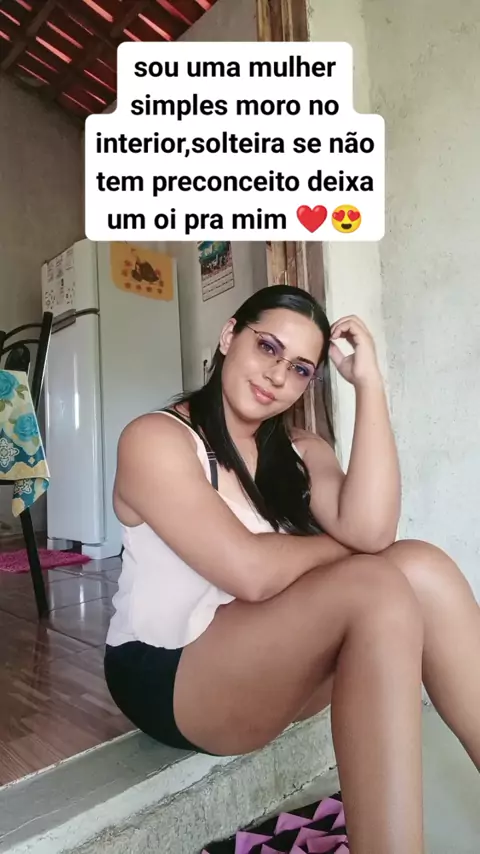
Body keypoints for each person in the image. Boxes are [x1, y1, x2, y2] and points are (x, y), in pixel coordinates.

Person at [104, 285, 480, 854]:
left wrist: (370, 386)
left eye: (301, 368)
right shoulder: (155, 438)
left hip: (264, 658)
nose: (278, 376)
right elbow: (250, 572)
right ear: (229, 336)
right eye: (268, 347)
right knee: (374, 582)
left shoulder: (301, 448)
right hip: (168, 672)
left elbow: (372, 531)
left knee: (420, 566)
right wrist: (348, 550)